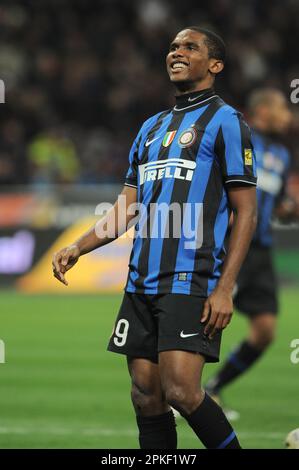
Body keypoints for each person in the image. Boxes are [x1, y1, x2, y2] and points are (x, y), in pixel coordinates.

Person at [52, 26, 257, 449]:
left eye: (190, 47)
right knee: (146, 396)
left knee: (182, 390)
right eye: (173, 47)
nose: (177, 52)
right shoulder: (149, 128)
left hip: (192, 277)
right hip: (141, 279)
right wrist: (79, 246)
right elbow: (127, 207)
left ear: (214, 65)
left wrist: (224, 288)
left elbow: (246, 210)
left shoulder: (227, 122)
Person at [205, 88, 297, 416]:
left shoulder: (283, 154)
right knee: (209, 316)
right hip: (231, 244)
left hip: (261, 250)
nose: (288, 115)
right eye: (281, 108)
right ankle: (178, 390)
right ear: (262, 111)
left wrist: (289, 209)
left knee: (265, 330)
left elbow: (279, 202)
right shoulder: (239, 138)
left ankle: (212, 388)